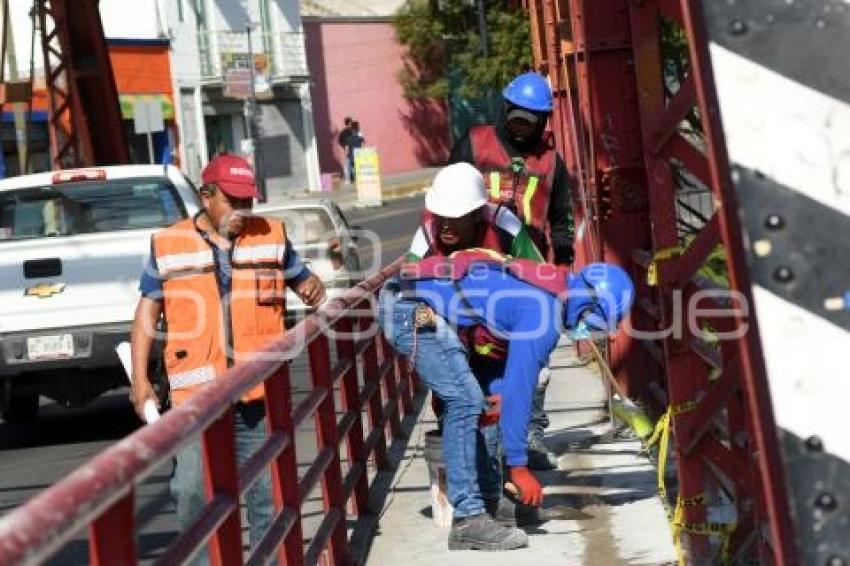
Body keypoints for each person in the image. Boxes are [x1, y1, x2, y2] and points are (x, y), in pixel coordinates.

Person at [128, 153, 326, 561]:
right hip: (196, 397)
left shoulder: (271, 236)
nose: (243, 211)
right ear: (207, 195)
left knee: (266, 498)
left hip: (258, 394)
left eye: (249, 202)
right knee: (190, 493)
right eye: (234, 201)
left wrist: (314, 289)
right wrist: (140, 380)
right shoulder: (169, 243)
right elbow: (148, 309)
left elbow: (305, 282)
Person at [378, 250, 634, 551]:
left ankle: (488, 501)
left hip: (413, 300)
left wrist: (505, 401)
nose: (587, 332)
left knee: (489, 399)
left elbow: (508, 390)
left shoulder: (552, 291)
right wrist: (519, 467)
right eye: (595, 323)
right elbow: (520, 390)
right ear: (591, 302)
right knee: (466, 401)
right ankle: (468, 520)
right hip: (410, 308)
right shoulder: (543, 313)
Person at [449, 72, 576, 465]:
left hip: (528, 270)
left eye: (530, 119)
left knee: (532, 358)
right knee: (479, 351)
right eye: (516, 116)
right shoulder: (474, 143)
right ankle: (484, 436)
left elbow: (561, 219)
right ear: (505, 110)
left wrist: (563, 268)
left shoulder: (552, 162)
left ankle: (528, 434)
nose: (521, 124)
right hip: (476, 267)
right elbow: (449, 193)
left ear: (543, 121)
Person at [337, 116, 353, 182]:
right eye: (351, 122)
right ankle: (350, 178)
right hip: (352, 148)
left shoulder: (342, 132)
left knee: (348, 163)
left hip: (346, 148)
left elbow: (339, 140)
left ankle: (348, 178)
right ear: (349, 123)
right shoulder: (351, 131)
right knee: (352, 163)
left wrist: (344, 146)